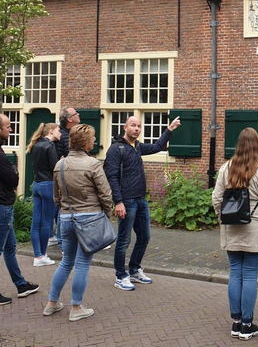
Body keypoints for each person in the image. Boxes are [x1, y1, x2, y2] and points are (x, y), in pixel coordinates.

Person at [212, 128, 258, 341]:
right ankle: (247, 325)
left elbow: (216, 198)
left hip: (232, 228)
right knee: (249, 275)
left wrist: (223, 217)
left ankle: (236, 321)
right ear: (257, 144)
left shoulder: (226, 167)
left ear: (238, 145)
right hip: (255, 229)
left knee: (235, 273)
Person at [45, 123, 114, 322]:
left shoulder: (60, 165)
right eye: (92, 138)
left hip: (66, 217)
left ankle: (52, 303)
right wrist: (106, 215)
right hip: (89, 218)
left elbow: (56, 196)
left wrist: (64, 210)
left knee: (66, 261)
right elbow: (105, 194)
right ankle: (76, 307)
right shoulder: (93, 164)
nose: (94, 141)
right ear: (86, 143)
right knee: (83, 263)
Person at [105, 115, 181, 291]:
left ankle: (134, 269)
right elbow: (112, 177)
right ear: (125, 127)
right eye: (133, 125)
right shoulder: (116, 149)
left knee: (145, 236)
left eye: (139, 126)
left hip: (140, 200)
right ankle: (120, 275)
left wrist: (169, 130)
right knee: (124, 239)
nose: (137, 129)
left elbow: (156, 147)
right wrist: (118, 202)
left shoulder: (137, 147)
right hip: (126, 200)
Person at [0, 114, 39, 306]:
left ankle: (21, 284)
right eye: (8, 126)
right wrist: (14, 169)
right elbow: (13, 179)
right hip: (1, 205)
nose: (11, 129)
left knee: (9, 247)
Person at [27, 122, 61, 267]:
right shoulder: (49, 146)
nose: (60, 134)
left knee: (36, 222)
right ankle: (42, 255)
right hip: (48, 185)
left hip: (37, 184)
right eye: (59, 131)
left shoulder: (35, 144)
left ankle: (38, 255)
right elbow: (55, 168)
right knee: (47, 222)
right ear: (51, 131)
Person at [52, 107, 80, 247]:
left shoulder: (72, 134)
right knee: (63, 209)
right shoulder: (62, 136)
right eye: (76, 113)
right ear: (69, 119)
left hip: (73, 176)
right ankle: (62, 242)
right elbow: (59, 159)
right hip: (65, 177)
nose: (79, 114)